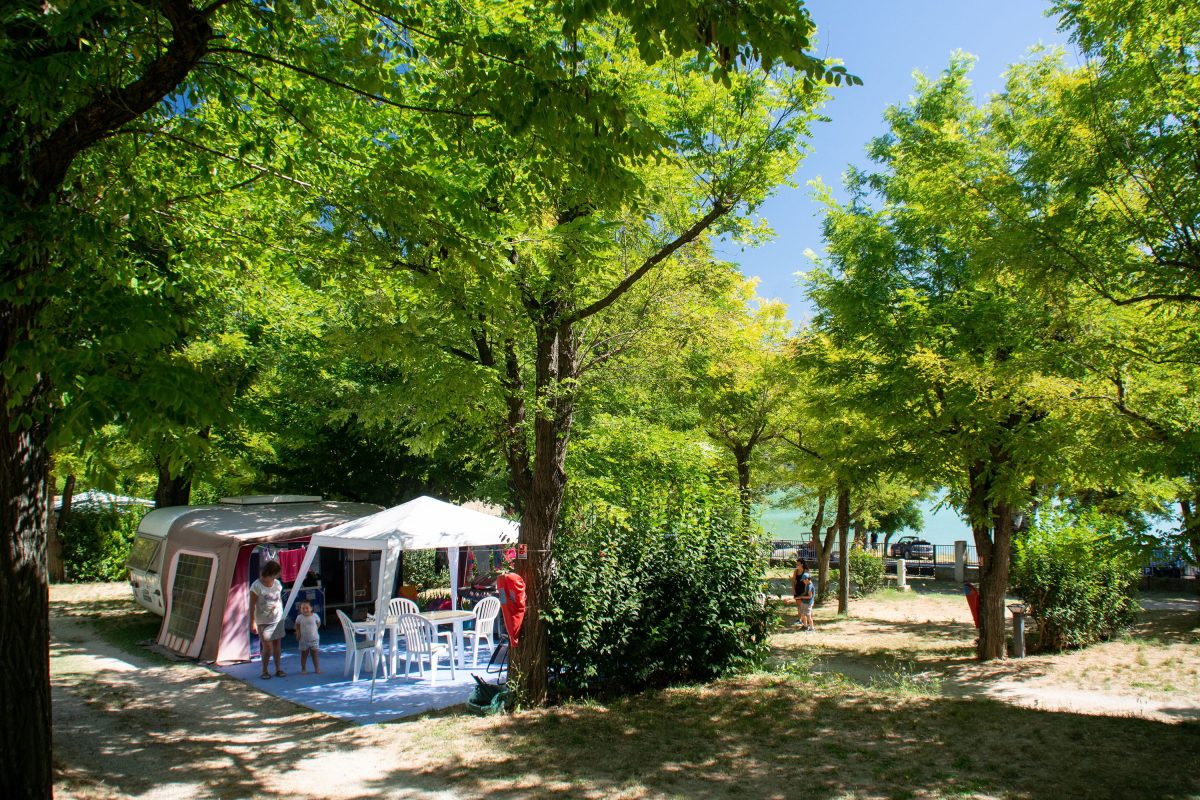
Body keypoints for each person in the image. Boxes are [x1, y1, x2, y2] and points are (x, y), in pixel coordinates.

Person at [250, 560, 286, 678]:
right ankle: (264, 670)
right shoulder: (256, 586)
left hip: (277, 618)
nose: (277, 576)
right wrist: (252, 622)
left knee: (277, 644)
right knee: (267, 646)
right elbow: (251, 606)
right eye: (276, 574)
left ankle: (278, 668)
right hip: (263, 620)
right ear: (270, 573)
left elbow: (279, 599)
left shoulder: (277, 584)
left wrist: (279, 610)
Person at [294, 600, 321, 674]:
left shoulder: (315, 616)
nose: (305, 610)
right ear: (300, 609)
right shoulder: (299, 617)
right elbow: (297, 625)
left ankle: (317, 668)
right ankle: (303, 669)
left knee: (315, 655)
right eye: (303, 608)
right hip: (303, 640)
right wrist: (298, 633)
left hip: (314, 639)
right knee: (304, 655)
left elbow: (318, 623)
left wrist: (315, 629)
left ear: (311, 608)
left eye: (307, 608)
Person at [792, 559, 814, 629]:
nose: (797, 565)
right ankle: (801, 620)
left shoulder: (806, 572)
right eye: (796, 564)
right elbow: (793, 581)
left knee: (806, 607)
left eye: (798, 564)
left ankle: (809, 622)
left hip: (804, 590)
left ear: (802, 564)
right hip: (797, 590)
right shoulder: (796, 571)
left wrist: (806, 591)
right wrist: (793, 590)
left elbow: (809, 582)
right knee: (800, 607)